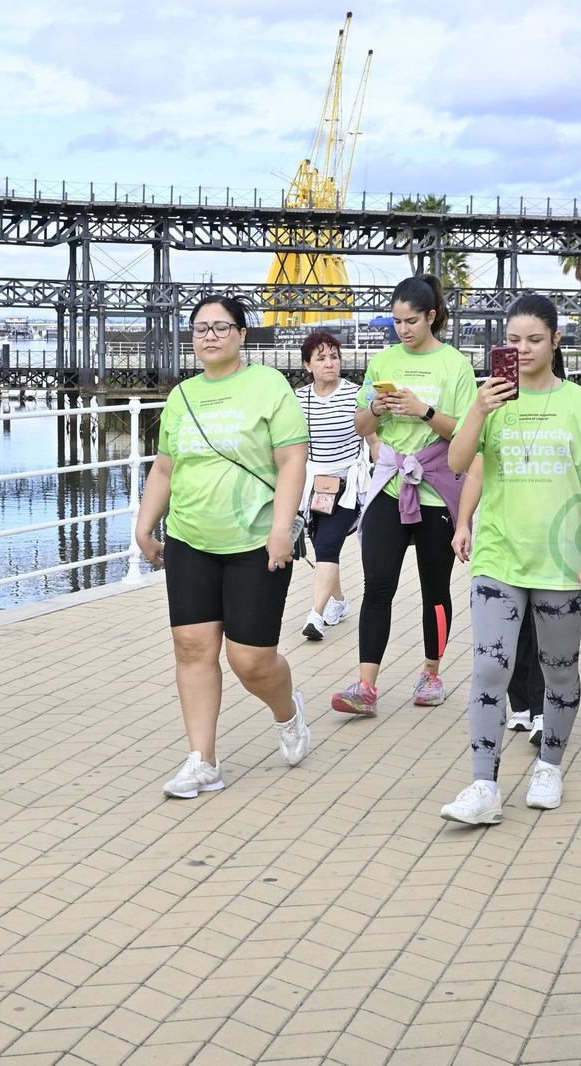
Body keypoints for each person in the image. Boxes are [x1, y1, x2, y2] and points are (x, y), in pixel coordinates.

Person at [440, 293, 581, 823]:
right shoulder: (491, 399)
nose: (522, 349)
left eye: (534, 339)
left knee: (558, 668)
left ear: (555, 341)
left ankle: (549, 766)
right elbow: (460, 463)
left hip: (561, 557)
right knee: (490, 666)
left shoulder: (579, 403)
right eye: (513, 340)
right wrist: (478, 409)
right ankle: (482, 786)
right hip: (499, 554)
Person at [134, 294, 312, 797]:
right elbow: (166, 467)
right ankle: (203, 760)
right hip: (190, 537)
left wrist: (283, 527)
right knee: (191, 648)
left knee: (250, 660)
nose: (209, 335)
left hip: (257, 538)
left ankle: (287, 710)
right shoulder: (181, 396)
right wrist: (145, 526)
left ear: (242, 334)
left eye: (221, 327)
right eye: (200, 328)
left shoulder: (269, 386)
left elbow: (292, 460)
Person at [331, 275, 474, 717]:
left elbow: (470, 434)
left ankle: (431, 672)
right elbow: (361, 427)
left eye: (411, 321)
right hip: (390, 482)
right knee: (377, 586)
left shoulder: (455, 365)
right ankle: (365, 687)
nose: (403, 329)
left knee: (435, 587)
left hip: (436, 485)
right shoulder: (383, 361)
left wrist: (423, 411)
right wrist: (374, 409)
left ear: (432, 317)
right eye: (396, 321)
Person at [295, 330, 371, 641]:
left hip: (347, 485)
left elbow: (373, 438)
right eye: (321, 358)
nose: (330, 363)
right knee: (322, 544)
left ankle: (315, 616)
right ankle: (338, 602)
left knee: (327, 544)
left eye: (334, 357)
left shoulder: (356, 395)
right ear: (307, 365)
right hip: (312, 486)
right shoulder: (297, 399)